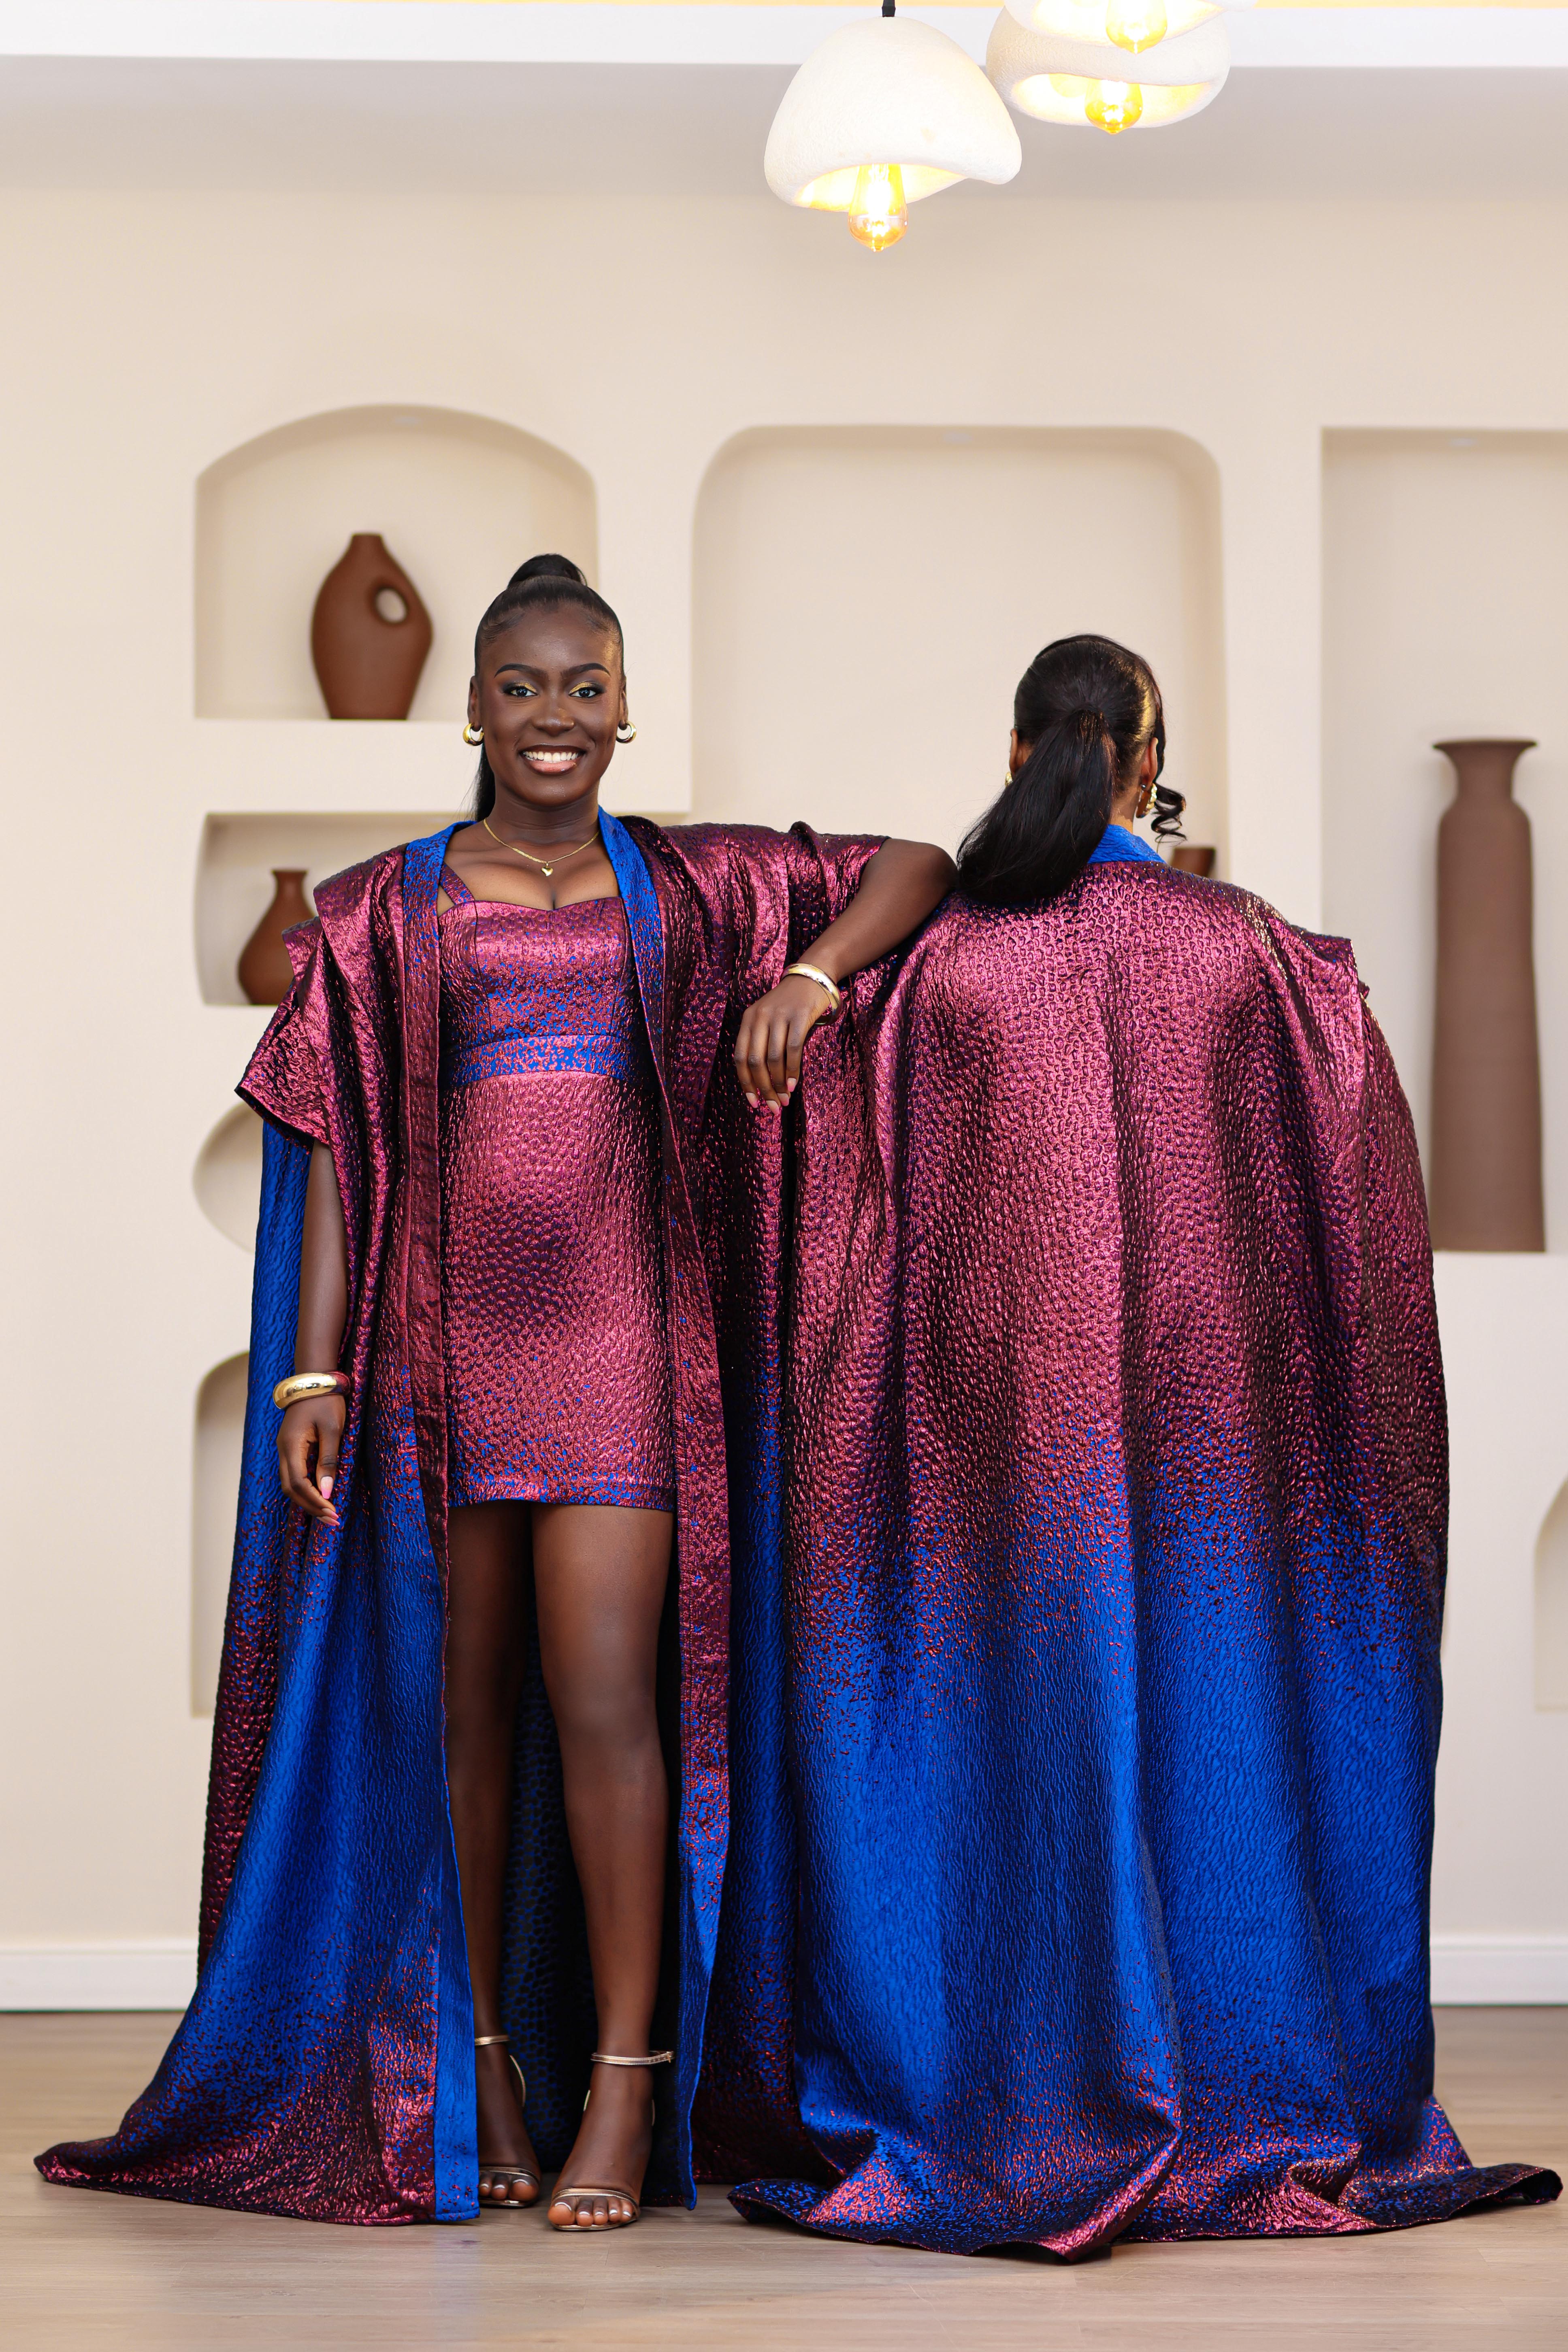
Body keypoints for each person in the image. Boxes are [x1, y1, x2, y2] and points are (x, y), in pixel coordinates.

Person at [37, 555, 952, 2231]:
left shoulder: (693, 881)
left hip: (621, 1352)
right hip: (437, 1363)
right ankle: (484, 2074)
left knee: (606, 1705)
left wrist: (811, 979)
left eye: (585, 688)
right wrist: (315, 1370)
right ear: (471, 708)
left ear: (625, 706)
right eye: (522, 688)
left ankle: (622, 2085)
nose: (555, 719)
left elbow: (917, 863)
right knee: (454, 1726)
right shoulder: (381, 906)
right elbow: (318, 1136)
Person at [720, 634, 1561, 2252]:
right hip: (1208, 1458)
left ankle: (1003, 2093)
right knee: (1207, 1738)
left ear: (1018, 743)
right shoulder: (1249, 952)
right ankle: (1227, 2092)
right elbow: (1349, 1230)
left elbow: (844, 1230)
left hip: (985, 1461)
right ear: (1138, 755)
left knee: (1007, 1750)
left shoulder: (935, 970)